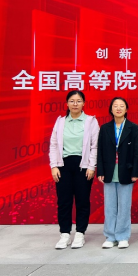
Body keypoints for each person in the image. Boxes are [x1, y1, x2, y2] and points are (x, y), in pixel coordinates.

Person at [49, 90, 99, 250]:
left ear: (84, 103)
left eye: (78, 101)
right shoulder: (60, 122)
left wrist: (91, 166)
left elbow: (95, 146)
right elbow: (53, 145)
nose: (75, 104)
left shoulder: (91, 121)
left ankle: (80, 233)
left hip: (83, 166)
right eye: (72, 101)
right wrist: (54, 166)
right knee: (64, 201)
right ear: (67, 103)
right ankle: (64, 234)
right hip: (63, 165)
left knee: (82, 200)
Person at [97, 97, 138, 249]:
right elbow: (100, 151)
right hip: (109, 171)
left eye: (122, 106)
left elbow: (136, 152)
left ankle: (122, 236)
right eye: (115, 106)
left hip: (126, 171)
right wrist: (100, 171)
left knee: (124, 206)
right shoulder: (105, 128)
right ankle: (110, 236)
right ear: (111, 109)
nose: (118, 108)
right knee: (109, 206)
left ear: (126, 109)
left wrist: (135, 172)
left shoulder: (133, 128)